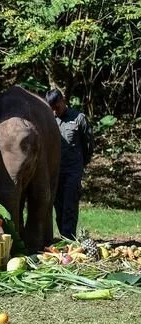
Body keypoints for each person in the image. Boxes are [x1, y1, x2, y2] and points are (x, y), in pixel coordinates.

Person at [45, 88, 94, 240]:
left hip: (72, 170)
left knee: (70, 206)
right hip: (55, 171)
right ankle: (64, 236)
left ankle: (69, 239)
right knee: (58, 206)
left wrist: (79, 165)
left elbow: (88, 146)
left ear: (63, 100)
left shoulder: (79, 118)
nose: (54, 111)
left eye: (57, 107)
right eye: (51, 108)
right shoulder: (49, 121)